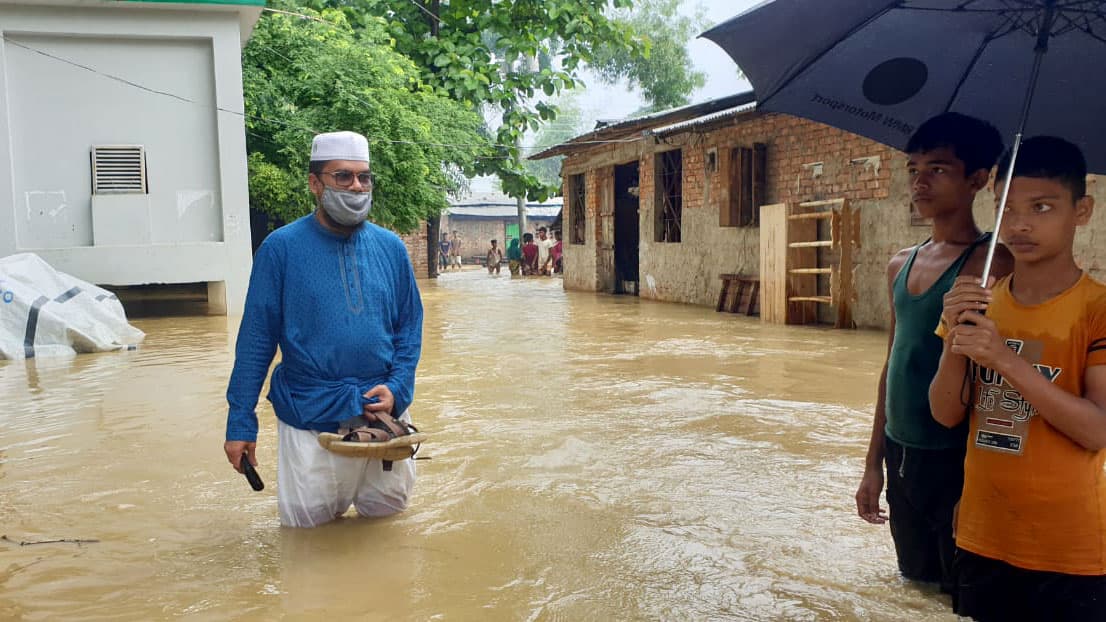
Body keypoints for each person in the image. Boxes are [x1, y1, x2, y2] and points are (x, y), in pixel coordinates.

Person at [930, 136, 1106, 621]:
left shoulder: (1097, 310)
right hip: (983, 533)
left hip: (1070, 551)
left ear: (1082, 211)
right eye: (1006, 208)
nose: (1020, 224)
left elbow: (1097, 431)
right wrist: (954, 340)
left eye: (1042, 207)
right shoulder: (980, 303)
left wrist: (1004, 358)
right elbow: (945, 413)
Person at [223, 130, 423, 528]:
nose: (356, 187)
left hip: (382, 423)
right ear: (315, 184)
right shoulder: (280, 249)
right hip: (309, 421)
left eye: (364, 177)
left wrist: (398, 387)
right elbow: (257, 340)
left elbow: (409, 328)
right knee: (308, 546)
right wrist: (240, 420)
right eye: (342, 177)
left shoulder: (391, 249)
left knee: (387, 535)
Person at [854, 112, 1012, 593]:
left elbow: (995, 377)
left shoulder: (994, 263)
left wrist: (982, 482)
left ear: (978, 180)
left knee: (960, 589)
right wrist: (871, 465)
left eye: (938, 169)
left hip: (956, 459)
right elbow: (893, 364)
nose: (920, 182)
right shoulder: (900, 263)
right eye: (913, 169)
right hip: (902, 452)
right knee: (914, 584)